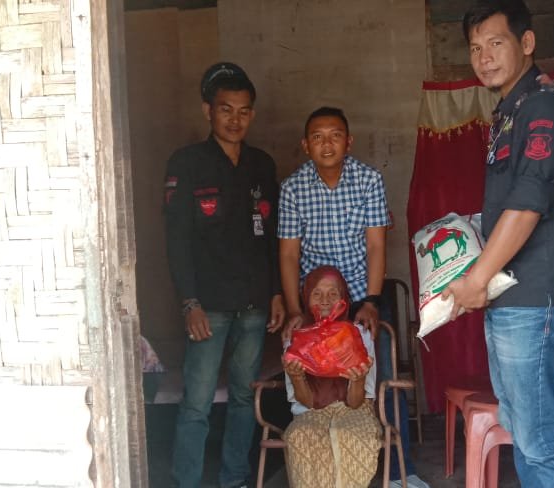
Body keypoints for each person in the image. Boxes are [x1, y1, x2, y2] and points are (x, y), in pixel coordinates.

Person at [443, 2, 554, 487]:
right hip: (515, 298)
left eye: (496, 43)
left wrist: (476, 279)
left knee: (541, 441)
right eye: (475, 48)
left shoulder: (545, 107)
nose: (484, 57)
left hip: (538, 298)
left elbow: (529, 205)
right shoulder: (512, 112)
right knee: (525, 434)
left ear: (526, 43)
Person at [278, 107, 430, 488]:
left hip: (363, 297)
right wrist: (296, 310)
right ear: (305, 145)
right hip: (316, 303)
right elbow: (289, 254)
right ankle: (324, 467)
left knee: (384, 379)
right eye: (318, 137)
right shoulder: (293, 188)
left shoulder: (368, 179)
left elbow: (376, 246)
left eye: (335, 136)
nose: (327, 144)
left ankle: (400, 472)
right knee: (312, 378)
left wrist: (372, 302)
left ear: (349, 142)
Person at [163, 62, 285, 488]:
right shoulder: (187, 163)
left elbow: (272, 235)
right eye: (225, 109)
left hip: (254, 304)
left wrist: (276, 293)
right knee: (196, 403)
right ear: (208, 111)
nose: (235, 120)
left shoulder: (261, 164)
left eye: (244, 111)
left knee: (243, 398)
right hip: (208, 306)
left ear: (253, 114)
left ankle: (235, 479)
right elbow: (177, 240)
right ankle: (187, 483)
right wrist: (189, 302)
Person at [282, 265, 380, 488]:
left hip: (355, 410)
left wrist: (358, 379)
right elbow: (306, 403)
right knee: (300, 435)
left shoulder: (359, 334)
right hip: (310, 412)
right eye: (316, 294)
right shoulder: (296, 339)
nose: (325, 301)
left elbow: (357, 403)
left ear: (344, 298)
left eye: (333, 294)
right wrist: (297, 377)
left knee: (353, 434)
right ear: (306, 298)